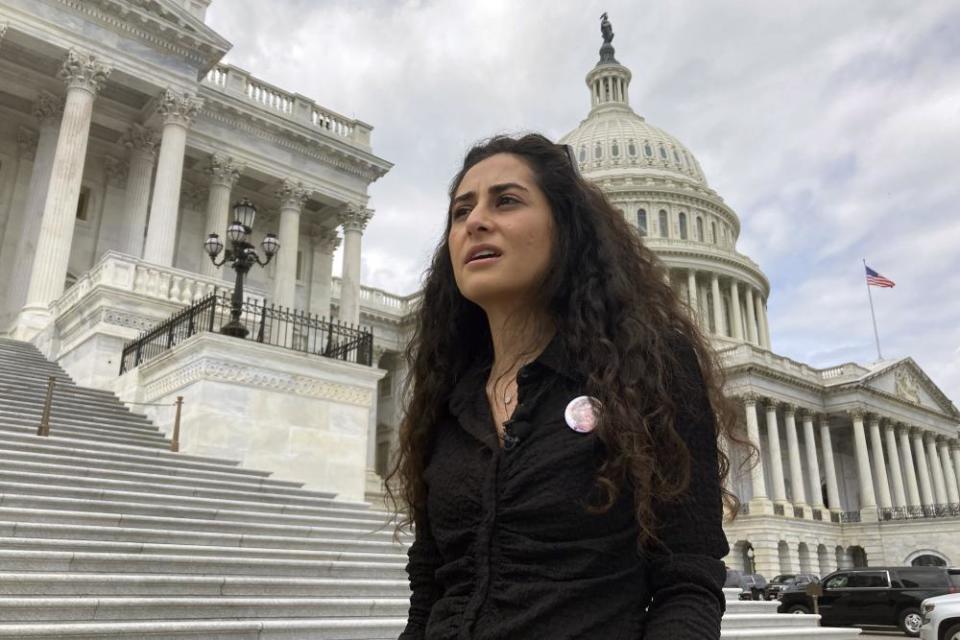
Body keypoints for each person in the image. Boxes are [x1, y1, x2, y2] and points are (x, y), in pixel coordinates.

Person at [386, 133, 751, 639]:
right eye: (460, 211)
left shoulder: (650, 368)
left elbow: (685, 578)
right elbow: (430, 588)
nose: (476, 221)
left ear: (567, 229)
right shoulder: (448, 399)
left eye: (506, 201)